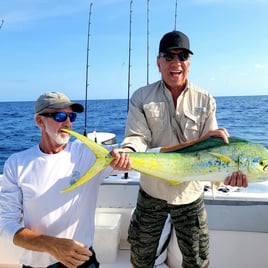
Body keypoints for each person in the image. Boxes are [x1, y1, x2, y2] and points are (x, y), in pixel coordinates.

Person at [117, 30, 248, 268]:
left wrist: (230, 174)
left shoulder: (205, 99)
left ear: (189, 63)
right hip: (152, 192)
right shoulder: (141, 97)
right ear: (158, 63)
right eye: (169, 56)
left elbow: (214, 149)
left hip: (190, 194)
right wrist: (127, 152)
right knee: (140, 257)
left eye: (183, 56)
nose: (176, 63)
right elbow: (136, 138)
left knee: (197, 260)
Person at [0, 91, 131, 268]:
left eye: (71, 116)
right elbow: (6, 223)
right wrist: (52, 245)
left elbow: (139, 153)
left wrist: (126, 154)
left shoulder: (89, 153)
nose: (68, 123)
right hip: (36, 264)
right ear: (40, 121)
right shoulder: (17, 163)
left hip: (82, 260)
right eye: (60, 116)